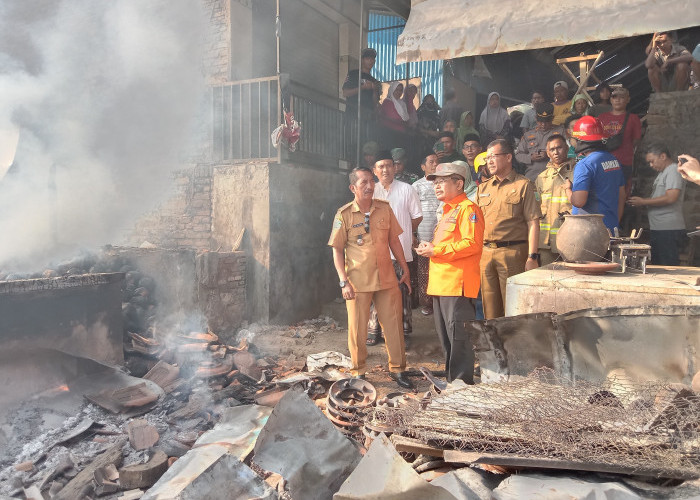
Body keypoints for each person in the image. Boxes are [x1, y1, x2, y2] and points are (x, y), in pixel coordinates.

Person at [328, 166, 413, 389]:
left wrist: (405, 268)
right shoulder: (344, 214)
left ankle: (398, 370)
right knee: (357, 329)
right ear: (352, 188)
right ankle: (359, 372)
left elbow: (394, 241)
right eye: (363, 182)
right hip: (358, 282)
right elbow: (337, 249)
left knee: (393, 326)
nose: (369, 185)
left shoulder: (384, 209)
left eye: (371, 181)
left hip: (387, 279)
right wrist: (343, 281)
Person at [416, 162, 484, 384]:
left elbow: (472, 244)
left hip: (458, 285)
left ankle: (462, 386)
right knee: (447, 339)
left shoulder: (468, 209)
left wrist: (436, 250)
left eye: (442, 181)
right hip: (441, 285)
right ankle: (452, 382)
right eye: (435, 182)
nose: (437, 186)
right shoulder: (447, 211)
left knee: (459, 340)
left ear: (459, 183)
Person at [477, 139, 541, 319]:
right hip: (486, 254)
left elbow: (533, 222)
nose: (489, 161)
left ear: (508, 157)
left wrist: (532, 257)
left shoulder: (524, 185)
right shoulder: (483, 188)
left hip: (513, 253)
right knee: (489, 308)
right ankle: (495, 345)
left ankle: (514, 345)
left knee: (513, 307)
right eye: (487, 157)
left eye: (493, 156)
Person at [367, 151, 422, 346]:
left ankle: (403, 332)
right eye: (380, 166)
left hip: (401, 250)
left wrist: (405, 233)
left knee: (401, 291)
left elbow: (417, 216)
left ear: (395, 168)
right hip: (377, 251)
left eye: (389, 165)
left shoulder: (407, 189)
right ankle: (375, 330)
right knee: (376, 290)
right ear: (374, 170)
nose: (385, 169)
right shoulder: (370, 190)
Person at [564, 116, 626, 233]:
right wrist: (614, 222)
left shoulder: (585, 165)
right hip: (611, 227)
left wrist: (568, 189)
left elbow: (579, 202)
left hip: (588, 233)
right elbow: (622, 195)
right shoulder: (614, 161)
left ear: (580, 140)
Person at [627, 144, 686, 265]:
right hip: (659, 227)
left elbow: (671, 197)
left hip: (668, 229)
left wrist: (643, 202)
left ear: (663, 156)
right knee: (659, 263)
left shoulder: (673, 170)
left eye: (652, 161)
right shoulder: (663, 173)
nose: (651, 165)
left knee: (668, 265)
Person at [535, 134, 575, 265]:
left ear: (567, 148)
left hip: (571, 238)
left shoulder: (577, 172)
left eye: (559, 148)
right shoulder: (541, 178)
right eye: (552, 150)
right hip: (546, 242)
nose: (556, 152)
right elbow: (536, 209)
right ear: (547, 153)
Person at [597, 87, 642, 195]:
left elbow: (636, 140)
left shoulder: (633, 118)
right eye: (614, 97)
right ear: (611, 100)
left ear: (628, 99)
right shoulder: (601, 118)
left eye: (622, 97)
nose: (618, 100)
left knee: (623, 192)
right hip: (604, 161)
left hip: (624, 161)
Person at [411, 153, 441, 315]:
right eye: (431, 162)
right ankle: (427, 303)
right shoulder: (417, 186)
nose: (435, 164)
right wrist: (413, 234)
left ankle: (440, 302)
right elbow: (412, 212)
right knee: (424, 270)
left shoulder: (443, 182)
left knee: (441, 269)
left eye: (437, 161)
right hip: (424, 233)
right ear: (423, 167)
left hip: (442, 236)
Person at [515, 103, 565, 182]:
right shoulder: (528, 135)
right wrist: (530, 157)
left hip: (555, 176)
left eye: (547, 121)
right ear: (536, 118)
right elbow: (518, 155)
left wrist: (549, 155)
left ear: (552, 118)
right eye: (540, 121)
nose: (543, 125)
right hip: (532, 176)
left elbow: (568, 152)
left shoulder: (560, 132)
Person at [342, 48, 380, 148]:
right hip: (353, 116)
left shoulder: (375, 81)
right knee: (352, 146)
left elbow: (375, 103)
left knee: (366, 148)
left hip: (368, 119)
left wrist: (375, 90)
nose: (371, 61)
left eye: (373, 59)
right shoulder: (353, 74)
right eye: (368, 58)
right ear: (362, 60)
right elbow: (345, 93)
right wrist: (363, 87)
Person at [378, 82, 410, 149]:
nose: (399, 92)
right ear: (392, 90)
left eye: (401, 90)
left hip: (400, 134)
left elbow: (407, 119)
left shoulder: (402, 103)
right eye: (396, 90)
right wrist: (404, 122)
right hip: (390, 133)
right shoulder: (387, 102)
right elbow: (394, 118)